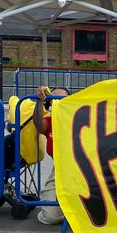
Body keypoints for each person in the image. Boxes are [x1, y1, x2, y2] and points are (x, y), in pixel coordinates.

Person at [34, 85, 71, 225]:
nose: (58, 103)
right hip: (60, 170)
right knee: (49, 216)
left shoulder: (79, 118)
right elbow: (37, 123)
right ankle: (68, 211)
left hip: (83, 169)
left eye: (62, 100)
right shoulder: (50, 122)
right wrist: (40, 101)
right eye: (54, 100)